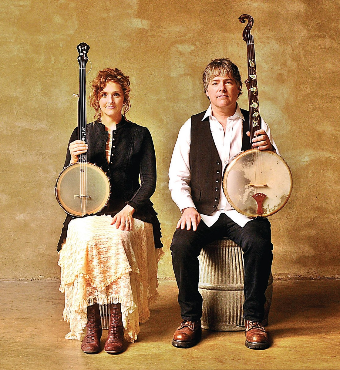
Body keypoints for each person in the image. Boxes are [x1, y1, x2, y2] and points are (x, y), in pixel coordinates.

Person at [169, 58, 279, 350]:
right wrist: (187, 207)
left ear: (239, 88)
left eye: (228, 81)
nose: (222, 88)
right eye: (215, 83)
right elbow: (177, 177)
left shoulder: (256, 124)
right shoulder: (191, 127)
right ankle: (190, 318)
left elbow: (274, 174)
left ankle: (254, 320)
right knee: (181, 244)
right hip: (203, 212)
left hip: (243, 213)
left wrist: (270, 150)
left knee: (259, 242)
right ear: (207, 90)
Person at [57, 67, 163, 355]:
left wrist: (130, 209)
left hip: (131, 210)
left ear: (124, 98)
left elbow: (150, 182)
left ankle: (116, 326)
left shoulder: (140, 134)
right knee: (86, 238)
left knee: (117, 238)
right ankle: (92, 326)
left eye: (116, 94)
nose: (110, 100)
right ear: (96, 99)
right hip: (88, 212)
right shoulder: (82, 133)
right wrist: (73, 159)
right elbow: (68, 186)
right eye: (104, 95)